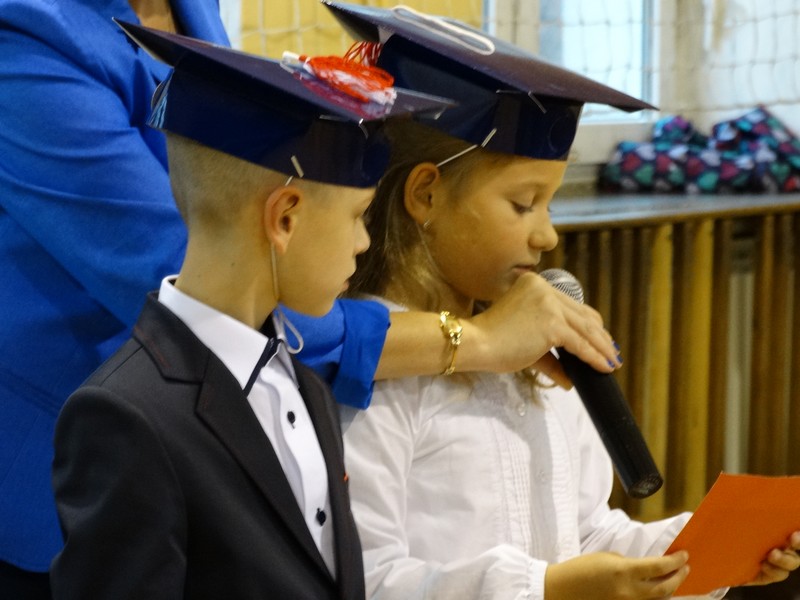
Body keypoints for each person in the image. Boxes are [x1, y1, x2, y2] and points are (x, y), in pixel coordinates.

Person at [0, 0, 620, 594]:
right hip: (68, 459)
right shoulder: (32, 39)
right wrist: (472, 341)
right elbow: (192, 262)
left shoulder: (304, 391)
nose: (362, 239)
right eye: (523, 202)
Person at [323, 3, 800, 599]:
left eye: (550, 205)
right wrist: (547, 590)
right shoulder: (376, 377)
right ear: (426, 195)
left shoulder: (539, 363)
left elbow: (587, 532)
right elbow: (371, 579)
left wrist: (696, 555)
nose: (547, 236)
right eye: (524, 204)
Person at [47, 22, 454, 599]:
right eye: (357, 216)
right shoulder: (126, 418)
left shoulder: (306, 386)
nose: (364, 242)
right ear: (284, 218)